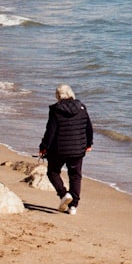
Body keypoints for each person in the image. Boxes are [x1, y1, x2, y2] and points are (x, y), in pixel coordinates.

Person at [39, 84, 93, 215]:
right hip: (78, 149)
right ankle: (73, 206)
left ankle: (64, 194)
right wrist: (88, 144)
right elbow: (89, 128)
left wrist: (43, 147)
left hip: (59, 149)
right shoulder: (82, 107)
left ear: (58, 96)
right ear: (71, 93)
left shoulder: (55, 109)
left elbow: (50, 131)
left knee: (52, 172)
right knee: (75, 176)